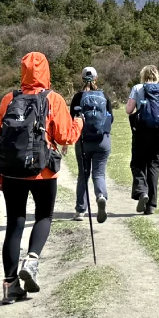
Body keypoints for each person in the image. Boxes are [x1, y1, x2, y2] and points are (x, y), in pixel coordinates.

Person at [0, 52, 82, 304]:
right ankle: (31, 260)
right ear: (46, 72)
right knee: (44, 216)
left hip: (11, 172)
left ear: (23, 72)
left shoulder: (9, 99)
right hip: (43, 171)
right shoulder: (53, 99)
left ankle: (10, 286)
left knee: (14, 224)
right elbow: (65, 137)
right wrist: (79, 123)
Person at [125, 64, 159, 216]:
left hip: (142, 132)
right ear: (157, 75)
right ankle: (151, 205)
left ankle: (142, 191)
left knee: (138, 163)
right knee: (154, 166)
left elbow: (129, 110)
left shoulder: (137, 88)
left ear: (143, 75)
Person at [70, 67, 113, 223]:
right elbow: (110, 118)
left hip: (83, 141)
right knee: (99, 174)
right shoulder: (104, 96)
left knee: (83, 175)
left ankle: (80, 211)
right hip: (102, 141)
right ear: (96, 78)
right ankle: (101, 196)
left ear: (82, 79)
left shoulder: (78, 97)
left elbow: (72, 120)